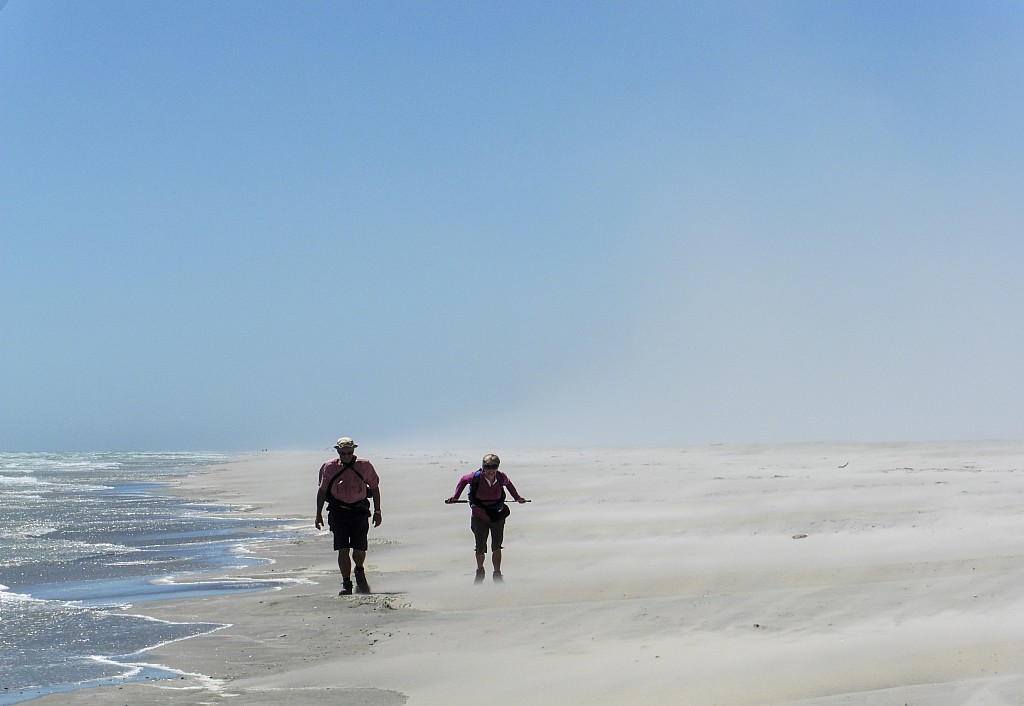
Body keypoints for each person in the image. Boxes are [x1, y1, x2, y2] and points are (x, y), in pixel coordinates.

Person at [446, 453, 527, 583]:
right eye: (486, 466)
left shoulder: (501, 477)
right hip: (479, 515)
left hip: (497, 514)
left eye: (493, 466)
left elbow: (509, 485)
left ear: (497, 467)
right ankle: (480, 571)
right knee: (480, 546)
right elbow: (463, 480)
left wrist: (517, 497)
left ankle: (497, 574)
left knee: (497, 545)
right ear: (482, 467)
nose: (490, 470)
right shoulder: (475, 477)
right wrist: (455, 497)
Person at [315, 437, 382, 595]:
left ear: (354, 451)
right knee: (342, 549)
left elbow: (375, 487)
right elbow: (322, 491)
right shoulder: (329, 467)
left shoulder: (364, 465)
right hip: (338, 512)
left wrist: (378, 511)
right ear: (338, 451)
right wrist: (318, 514)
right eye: (343, 453)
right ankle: (346, 583)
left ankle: (359, 571)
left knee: (359, 550)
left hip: (359, 511)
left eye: (349, 452)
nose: (346, 455)